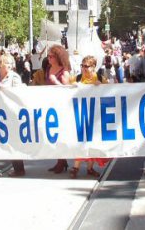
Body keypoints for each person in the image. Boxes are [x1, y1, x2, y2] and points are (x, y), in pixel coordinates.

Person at [70, 56, 109, 179]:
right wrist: (72, 87)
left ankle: (89, 168)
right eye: (82, 65)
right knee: (80, 142)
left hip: (96, 117)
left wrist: (102, 87)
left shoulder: (101, 79)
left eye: (86, 66)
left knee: (93, 143)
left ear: (93, 67)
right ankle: (75, 167)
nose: (83, 68)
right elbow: (64, 89)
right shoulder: (76, 79)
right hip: (80, 116)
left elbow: (111, 92)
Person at [45, 45, 71, 173]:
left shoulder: (64, 71)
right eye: (48, 56)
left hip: (62, 106)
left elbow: (68, 90)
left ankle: (62, 161)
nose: (48, 58)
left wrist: (56, 81)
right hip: (50, 105)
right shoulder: (49, 68)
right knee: (53, 134)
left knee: (61, 134)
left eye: (51, 56)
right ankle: (60, 160)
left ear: (58, 57)